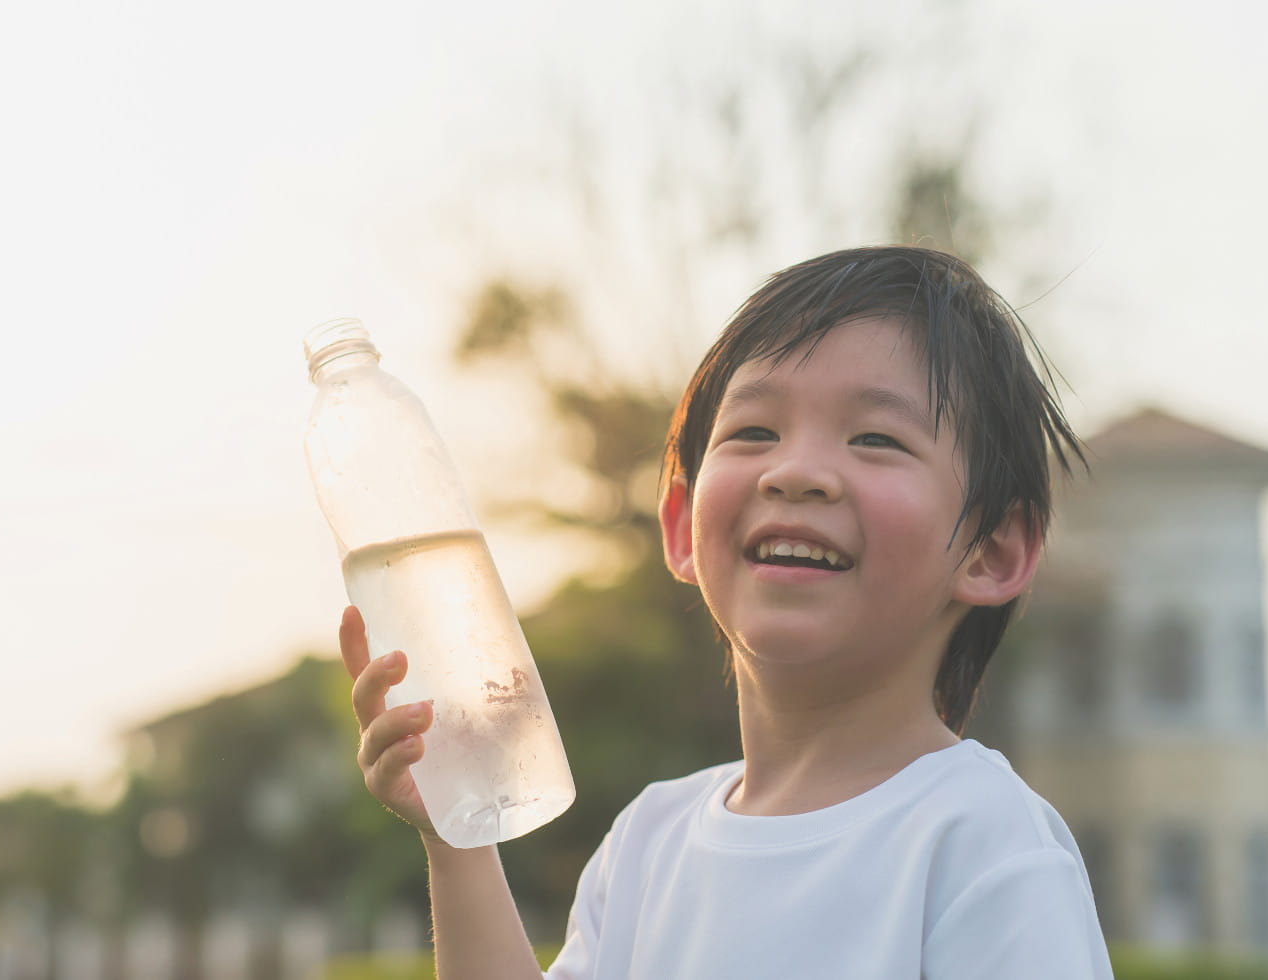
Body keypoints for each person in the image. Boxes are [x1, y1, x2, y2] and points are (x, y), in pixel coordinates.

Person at [339, 245, 1114, 978]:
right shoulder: (647, 845)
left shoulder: (983, 845)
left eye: (875, 437)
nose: (798, 471)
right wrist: (457, 833)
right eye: (754, 431)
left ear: (993, 552)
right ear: (680, 527)